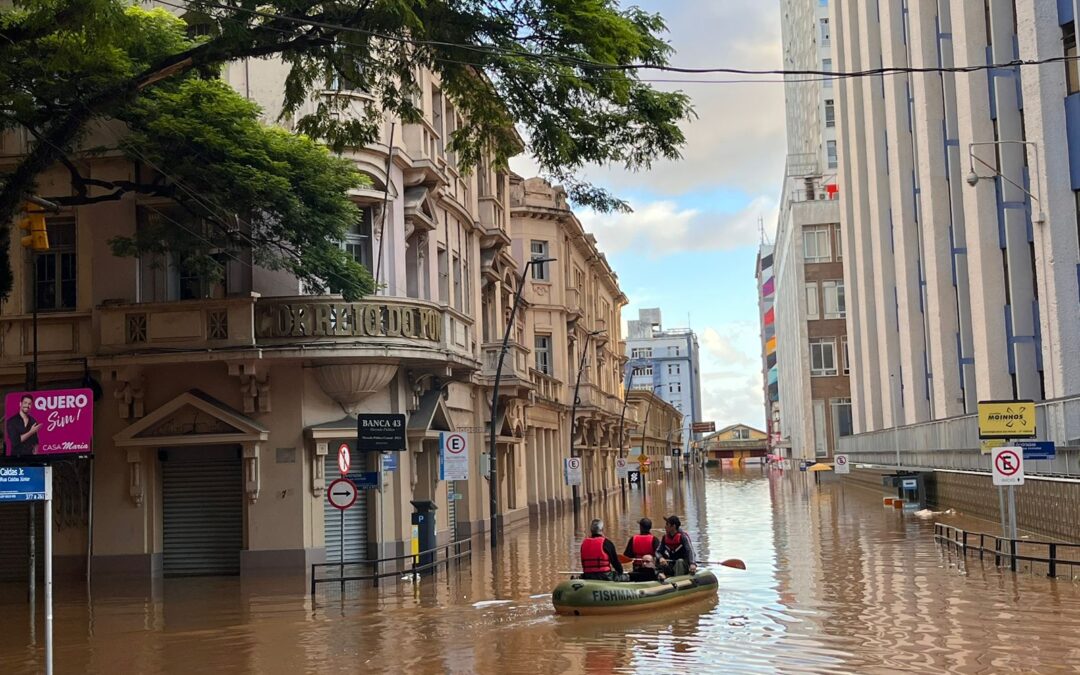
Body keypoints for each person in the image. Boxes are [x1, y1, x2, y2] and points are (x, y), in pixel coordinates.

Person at [656, 515, 697, 579]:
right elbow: (657, 551)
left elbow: (690, 551)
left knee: (679, 562)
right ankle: (660, 577)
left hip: (684, 564)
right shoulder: (665, 538)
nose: (665, 527)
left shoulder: (683, 537)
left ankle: (678, 580)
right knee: (658, 560)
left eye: (667, 524)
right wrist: (660, 557)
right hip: (672, 563)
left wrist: (692, 563)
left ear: (673, 526)